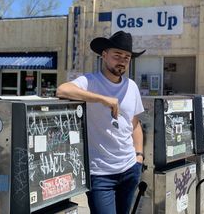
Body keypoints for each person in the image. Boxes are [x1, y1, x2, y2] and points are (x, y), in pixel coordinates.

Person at [56, 30, 146, 214]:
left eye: (127, 57)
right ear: (104, 55)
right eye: (117, 55)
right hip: (100, 173)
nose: (122, 60)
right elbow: (62, 90)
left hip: (130, 168)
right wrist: (102, 99)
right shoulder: (90, 81)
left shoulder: (132, 86)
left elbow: (135, 125)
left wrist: (139, 156)